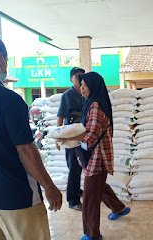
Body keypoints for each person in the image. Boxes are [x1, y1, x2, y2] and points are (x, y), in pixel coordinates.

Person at [0, 34, 62, 240]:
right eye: (5, 59)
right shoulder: (7, 99)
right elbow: (25, 150)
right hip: (15, 195)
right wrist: (49, 187)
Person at [57, 72, 130, 240]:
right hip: (95, 154)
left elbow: (91, 135)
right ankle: (119, 208)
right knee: (98, 186)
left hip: (97, 156)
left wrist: (67, 137)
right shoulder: (92, 102)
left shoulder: (96, 104)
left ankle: (92, 234)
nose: (81, 88)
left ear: (93, 86)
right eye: (80, 84)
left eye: (84, 85)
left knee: (90, 196)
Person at [57, 67, 86, 211]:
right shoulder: (67, 95)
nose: (80, 79)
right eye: (77, 76)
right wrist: (59, 136)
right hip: (72, 135)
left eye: (82, 76)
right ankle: (72, 200)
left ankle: (77, 190)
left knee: (82, 164)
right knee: (74, 167)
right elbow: (60, 116)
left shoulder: (86, 92)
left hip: (85, 134)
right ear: (71, 79)